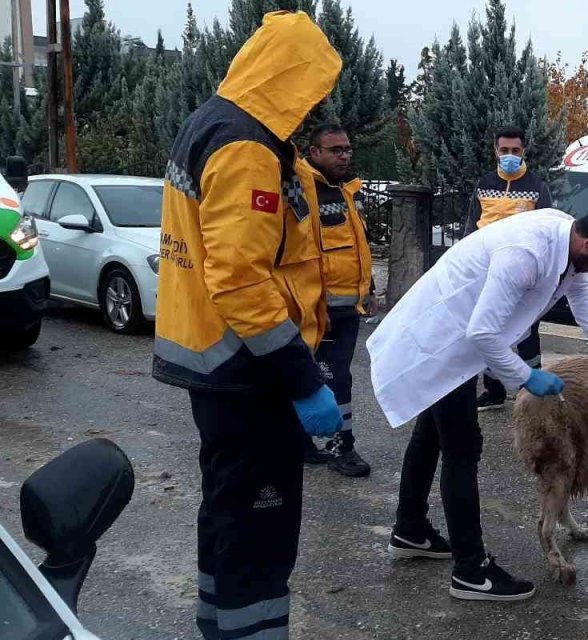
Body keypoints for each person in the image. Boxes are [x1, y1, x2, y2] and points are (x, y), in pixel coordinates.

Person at [151, 12, 342, 639]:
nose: (316, 104)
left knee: (228, 517)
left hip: (217, 362)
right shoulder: (245, 146)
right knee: (259, 529)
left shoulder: (215, 123)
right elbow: (238, 277)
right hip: (247, 370)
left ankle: (220, 625)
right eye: (312, 87)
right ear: (290, 76)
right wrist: (300, 378)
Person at [368, 202, 588, 602]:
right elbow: (482, 332)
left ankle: (410, 530)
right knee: (462, 448)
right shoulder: (527, 253)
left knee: (430, 435)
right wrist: (525, 377)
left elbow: (580, 295)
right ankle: (471, 571)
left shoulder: (568, 241)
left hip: (453, 343)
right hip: (442, 344)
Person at [297, 123, 375, 477]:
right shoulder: (305, 192)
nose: (344, 155)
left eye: (347, 149)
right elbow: (305, 253)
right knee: (335, 378)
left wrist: (369, 289)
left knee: (317, 374)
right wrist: (315, 305)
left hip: (346, 307)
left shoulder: (343, 191)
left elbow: (355, 247)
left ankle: (299, 439)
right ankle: (341, 446)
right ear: (314, 153)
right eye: (335, 150)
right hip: (322, 308)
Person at [463, 126, 555, 412]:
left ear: (524, 151)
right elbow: (471, 226)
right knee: (491, 330)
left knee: (527, 332)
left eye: (515, 151)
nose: (510, 156)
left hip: (525, 274)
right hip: (487, 271)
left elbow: (548, 231)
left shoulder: (537, 186)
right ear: (495, 151)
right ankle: (493, 390)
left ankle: (534, 393)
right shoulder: (484, 184)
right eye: (504, 151)